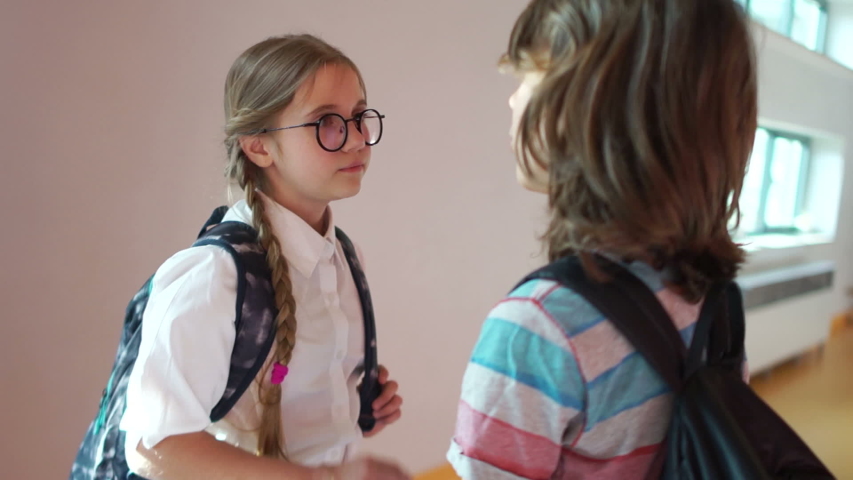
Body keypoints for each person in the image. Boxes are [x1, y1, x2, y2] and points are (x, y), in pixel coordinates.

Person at [447, 0, 757, 477]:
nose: (512, 99)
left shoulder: (537, 328)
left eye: (529, 75)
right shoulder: (714, 302)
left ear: (594, 111)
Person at [116, 34, 408, 480]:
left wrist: (354, 406)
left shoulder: (345, 258)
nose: (356, 139)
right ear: (258, 146)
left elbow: (297, 420)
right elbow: (153, 446)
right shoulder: (213, 276)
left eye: (357, 115)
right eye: (326, 122)